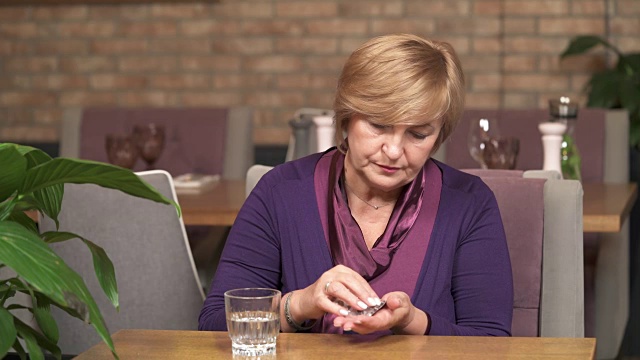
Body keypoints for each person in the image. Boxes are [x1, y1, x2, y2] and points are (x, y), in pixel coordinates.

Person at [199, 33, 513, 336]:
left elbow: (490, 342)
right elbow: (215, 324)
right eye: (378, 125)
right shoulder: (281, 192)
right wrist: (303, 303)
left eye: (418, 134)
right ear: (347, 117)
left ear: (439, 135)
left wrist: (412, 322)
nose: (393, 150)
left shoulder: (469, 203)